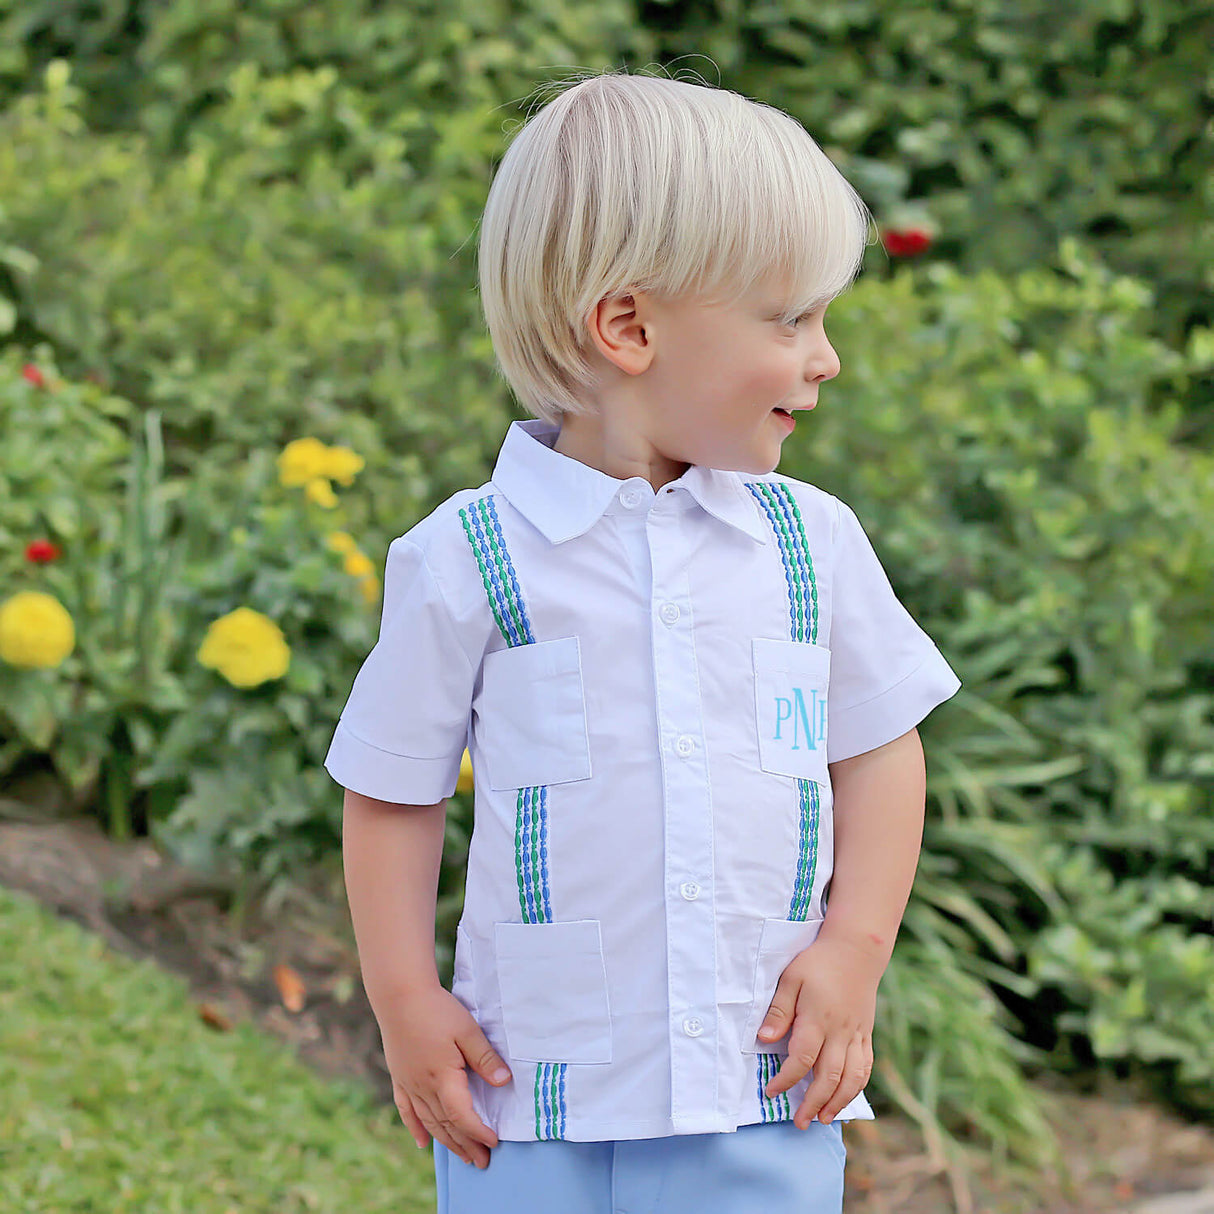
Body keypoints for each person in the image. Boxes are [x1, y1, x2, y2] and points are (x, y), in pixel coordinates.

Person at [328, 68, 961, 1214]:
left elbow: (878, 747)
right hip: (530, 1091)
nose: (824, 357)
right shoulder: (470, 555)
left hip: (755, 1074)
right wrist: (403, 997)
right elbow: (391, 788)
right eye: (789, 319)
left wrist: (853, 946)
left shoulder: (808, 545)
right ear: (629, 326)